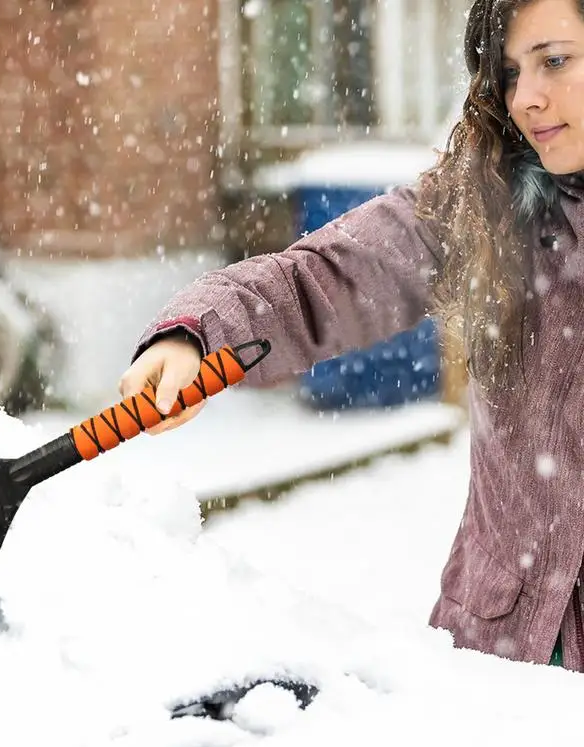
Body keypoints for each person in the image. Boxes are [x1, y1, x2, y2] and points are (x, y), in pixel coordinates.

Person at [118, 0, 584, 671]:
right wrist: (196, 335)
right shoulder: (486, 203)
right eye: (509, 73)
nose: (527, 99)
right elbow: (322, 278)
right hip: (497, 664)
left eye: (555, 61)